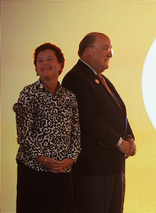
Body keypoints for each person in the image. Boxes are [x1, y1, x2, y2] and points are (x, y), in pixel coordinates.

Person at [62, 32, 136, 213]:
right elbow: (90, 119)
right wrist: (120, 143)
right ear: (88, 51)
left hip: (111, 164)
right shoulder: (76, 78)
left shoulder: (100, 77)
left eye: (111, 49)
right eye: (105, 49)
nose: (110, 54)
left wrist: (129, 137)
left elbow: (119, 111)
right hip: (93, 168)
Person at [13, 43, 81, 213]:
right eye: (39, 61)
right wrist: (43, 160)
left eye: (49, 59)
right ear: (36, 68)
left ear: (61, 65)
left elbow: (76, 133)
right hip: (34, 171)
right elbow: (24, 134)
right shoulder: (28, 93)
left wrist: (71, 159)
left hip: (62, 171)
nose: (44, 64)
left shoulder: (69, 97)